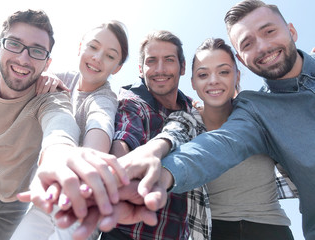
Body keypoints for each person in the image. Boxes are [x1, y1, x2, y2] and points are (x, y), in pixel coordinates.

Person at [123, 0, 315, 239]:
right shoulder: (247, 113)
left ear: (237, 72)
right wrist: (159, 171)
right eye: (203, 74)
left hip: (272, 227)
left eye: (269, 31)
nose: (263, 46)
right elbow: (208, 143)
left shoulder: (252, 107)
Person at [0, 9, 130, 240]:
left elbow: (88, 123)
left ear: (117, 67)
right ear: (80, 47)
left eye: (109, 56)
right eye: (93, 47)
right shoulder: (54, 78)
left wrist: (81, 158)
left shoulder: (103, 99)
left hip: (70, 191)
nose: (97, 58)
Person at [100, 30, 199, 240]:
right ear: (141, 68)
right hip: (126, 234)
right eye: (151, 61)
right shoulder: (132, 101)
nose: (160, 69)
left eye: (169, 60)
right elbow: (125, 133)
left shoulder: (193, 110)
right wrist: (121, 168)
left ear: (182, 67)